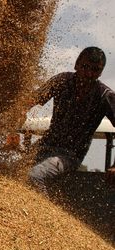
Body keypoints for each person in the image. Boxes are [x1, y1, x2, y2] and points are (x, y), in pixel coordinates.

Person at [27, 46, 115, 191]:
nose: (88, 73)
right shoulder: (62, 81)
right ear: (76, 65)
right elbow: (31, 100)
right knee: (12, 171)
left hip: (70, 155)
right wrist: (19, 112)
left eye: (95, 70)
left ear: (100, 73)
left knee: (34, 176)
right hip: (45, 145)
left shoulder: (104, 96)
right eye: (85, 67)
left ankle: (43, 212)